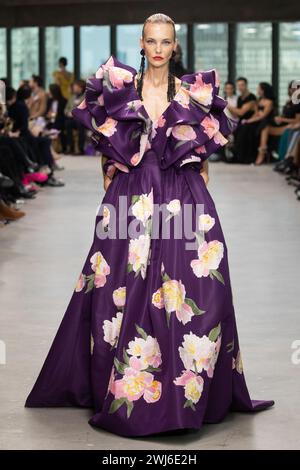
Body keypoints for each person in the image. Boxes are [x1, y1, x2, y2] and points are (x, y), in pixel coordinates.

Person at [25, 13, 274, 438]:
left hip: (182, 191)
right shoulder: (122, 88)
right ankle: (124, 386)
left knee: (200, 285)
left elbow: (205, 139)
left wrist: (202, 163)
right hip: (132, 192)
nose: (159, 48)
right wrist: (108, 164)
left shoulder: (192, 92)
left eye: (166, 42)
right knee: (117, 286)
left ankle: (192, 389)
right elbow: (105, 138)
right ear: (141, 44)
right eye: (152, 41)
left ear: (174, 47)